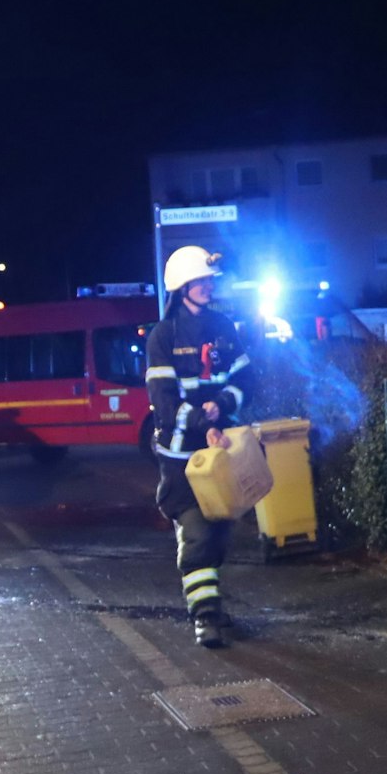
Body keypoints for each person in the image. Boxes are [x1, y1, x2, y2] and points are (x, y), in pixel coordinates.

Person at [146, 245, 256, 648]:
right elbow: (163, 400)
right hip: (182, 460)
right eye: (201, 280)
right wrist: (200, 422)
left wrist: (223, 404)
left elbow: (246, 380)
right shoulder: (163, 336)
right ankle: (205, 617)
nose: (209, 285)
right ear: (182, 286)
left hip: (221, 452)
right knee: (197, 535)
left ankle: (209, 600)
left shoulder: (223, 327)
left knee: (221, 533)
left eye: (210, 280)